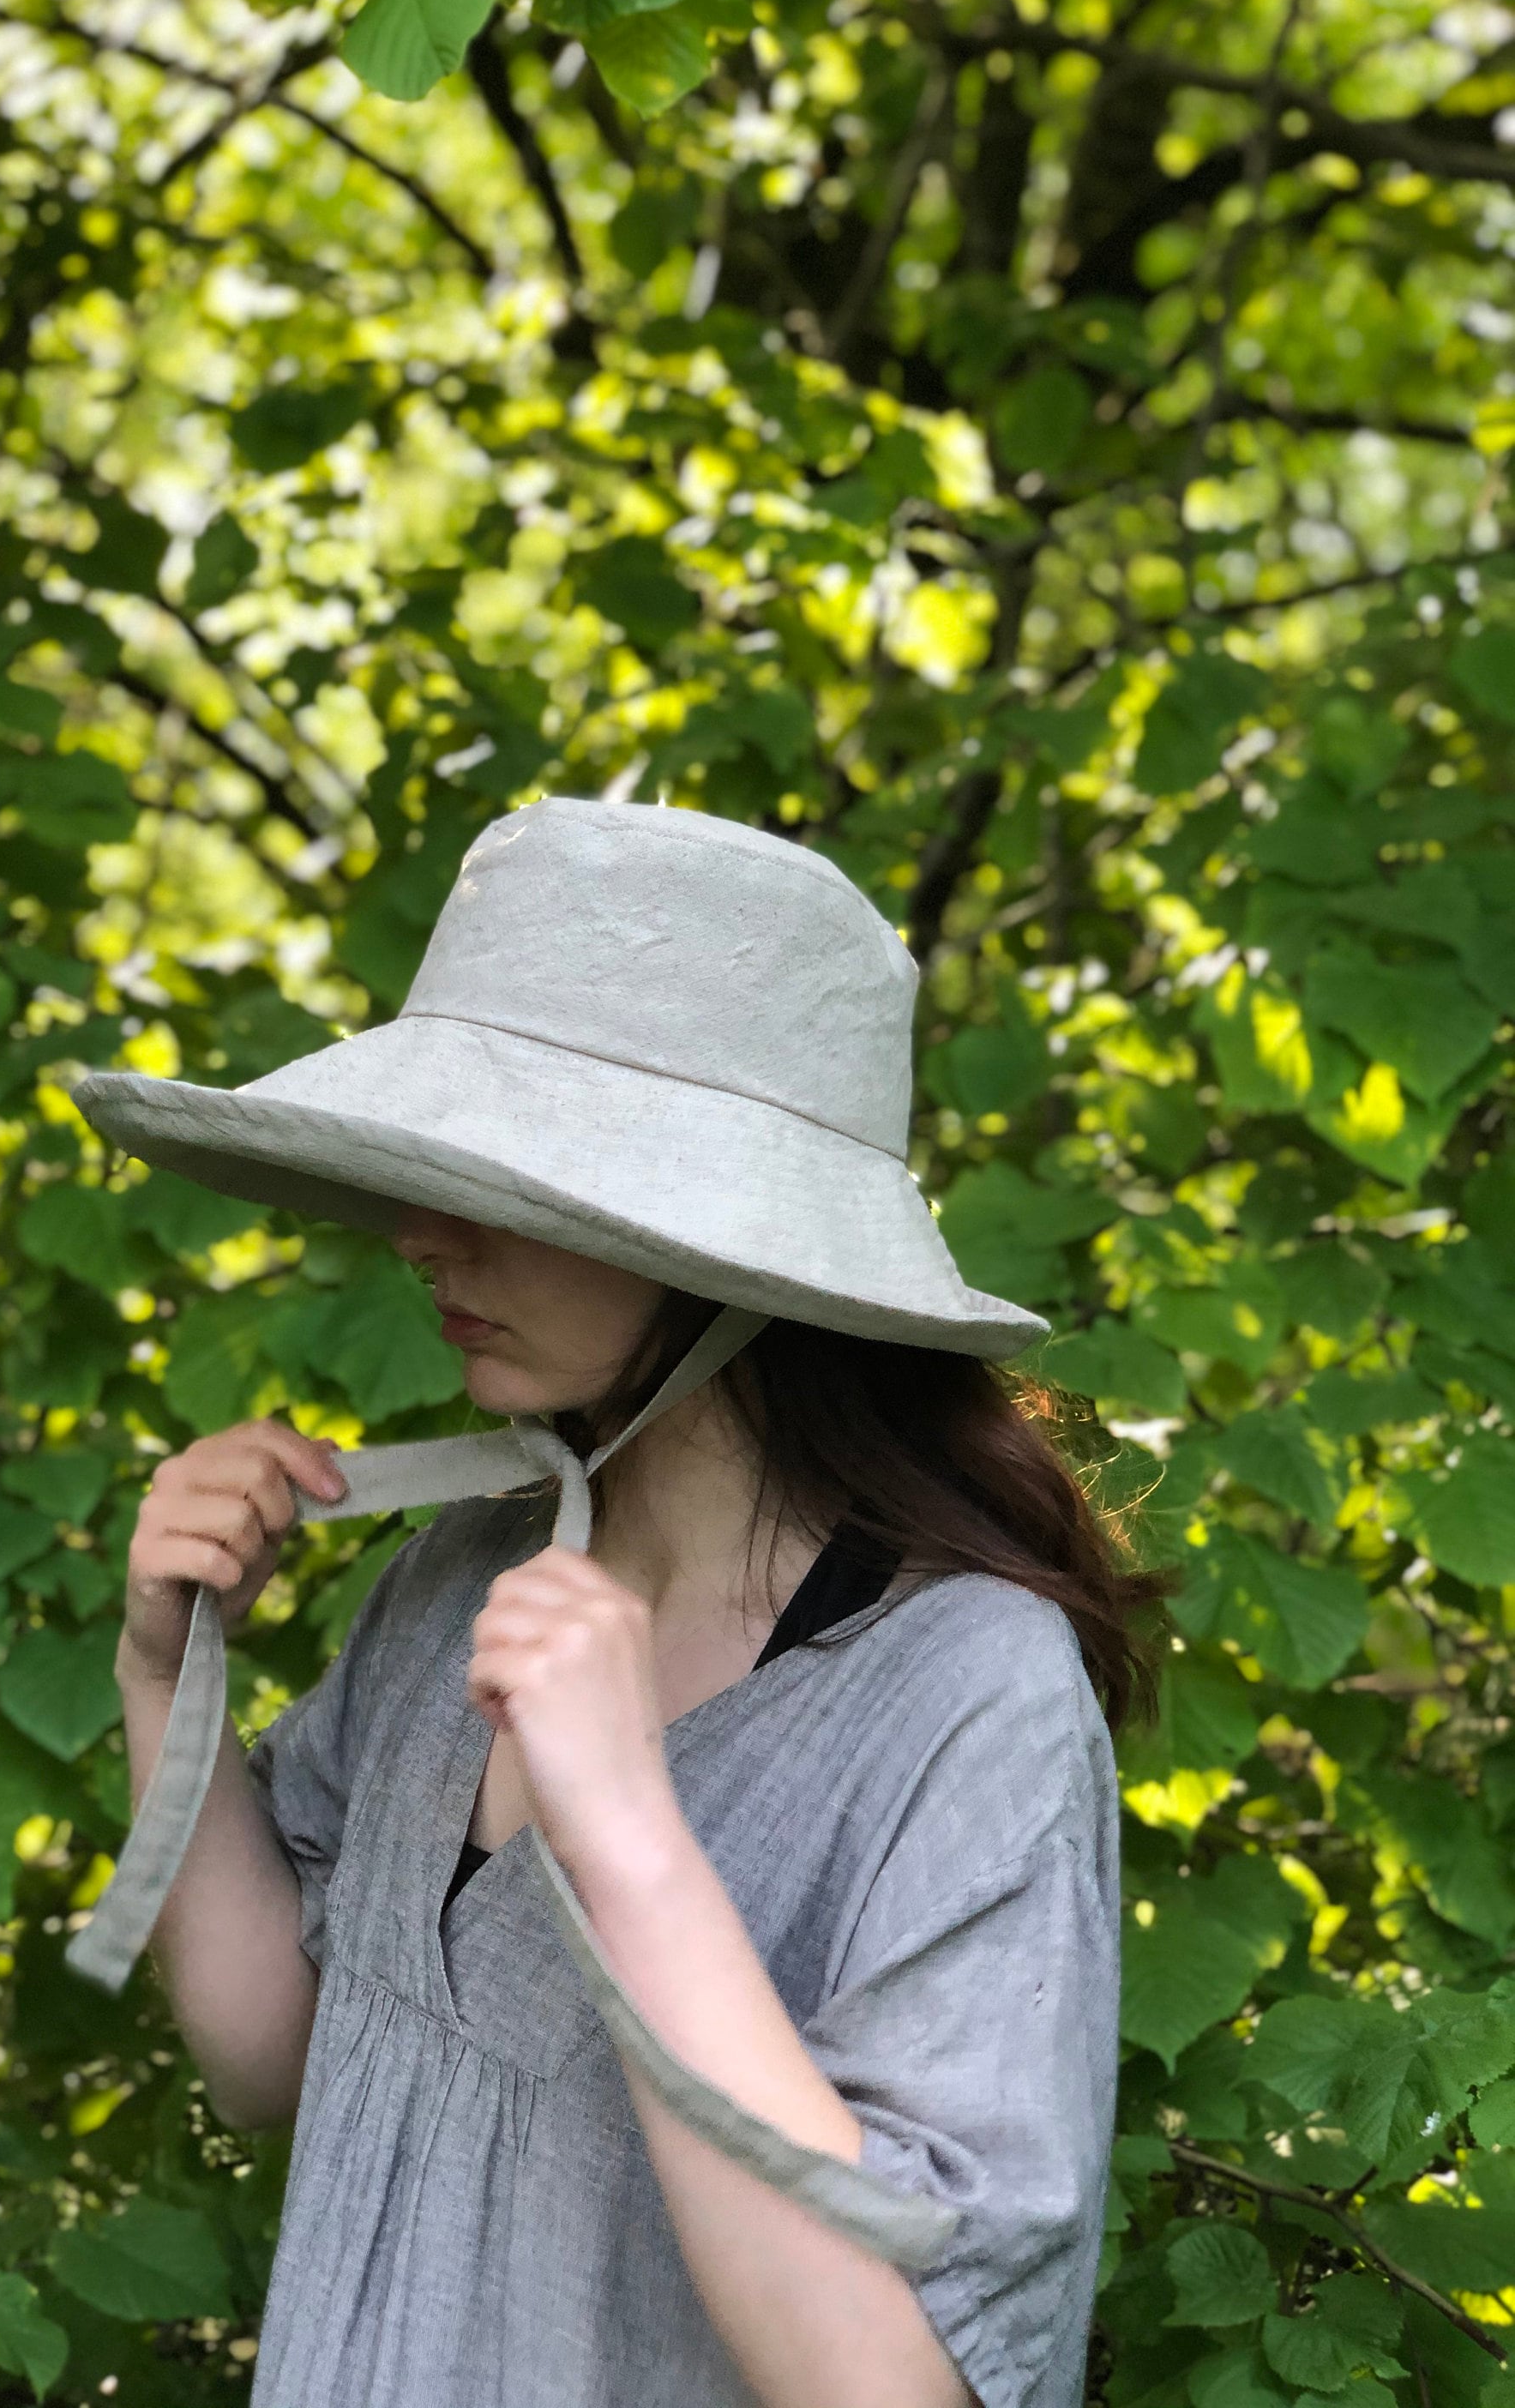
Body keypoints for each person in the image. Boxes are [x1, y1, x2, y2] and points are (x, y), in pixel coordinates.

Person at [78, 798, 1161, 2408]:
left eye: (508, 1182)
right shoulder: (463, 1573)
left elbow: (890, 2386)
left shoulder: (962, 1693)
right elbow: (267, 2057)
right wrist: (167, 1671)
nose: (420, 1235)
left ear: (718, 1246)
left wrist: (631, 1840)